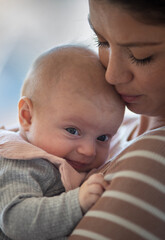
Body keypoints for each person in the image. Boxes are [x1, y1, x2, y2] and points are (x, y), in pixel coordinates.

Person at [0, 45, 125, 240]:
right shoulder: (20, 160)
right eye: (72, 131)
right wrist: (77, 202)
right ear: (27, 116)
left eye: (102, 138)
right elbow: (15, 221)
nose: (88, 150)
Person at [69, 1, 165, 240]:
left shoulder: (154, 161)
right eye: (101, 41)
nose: (111, 75)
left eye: (141, 56)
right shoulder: (119, 130)